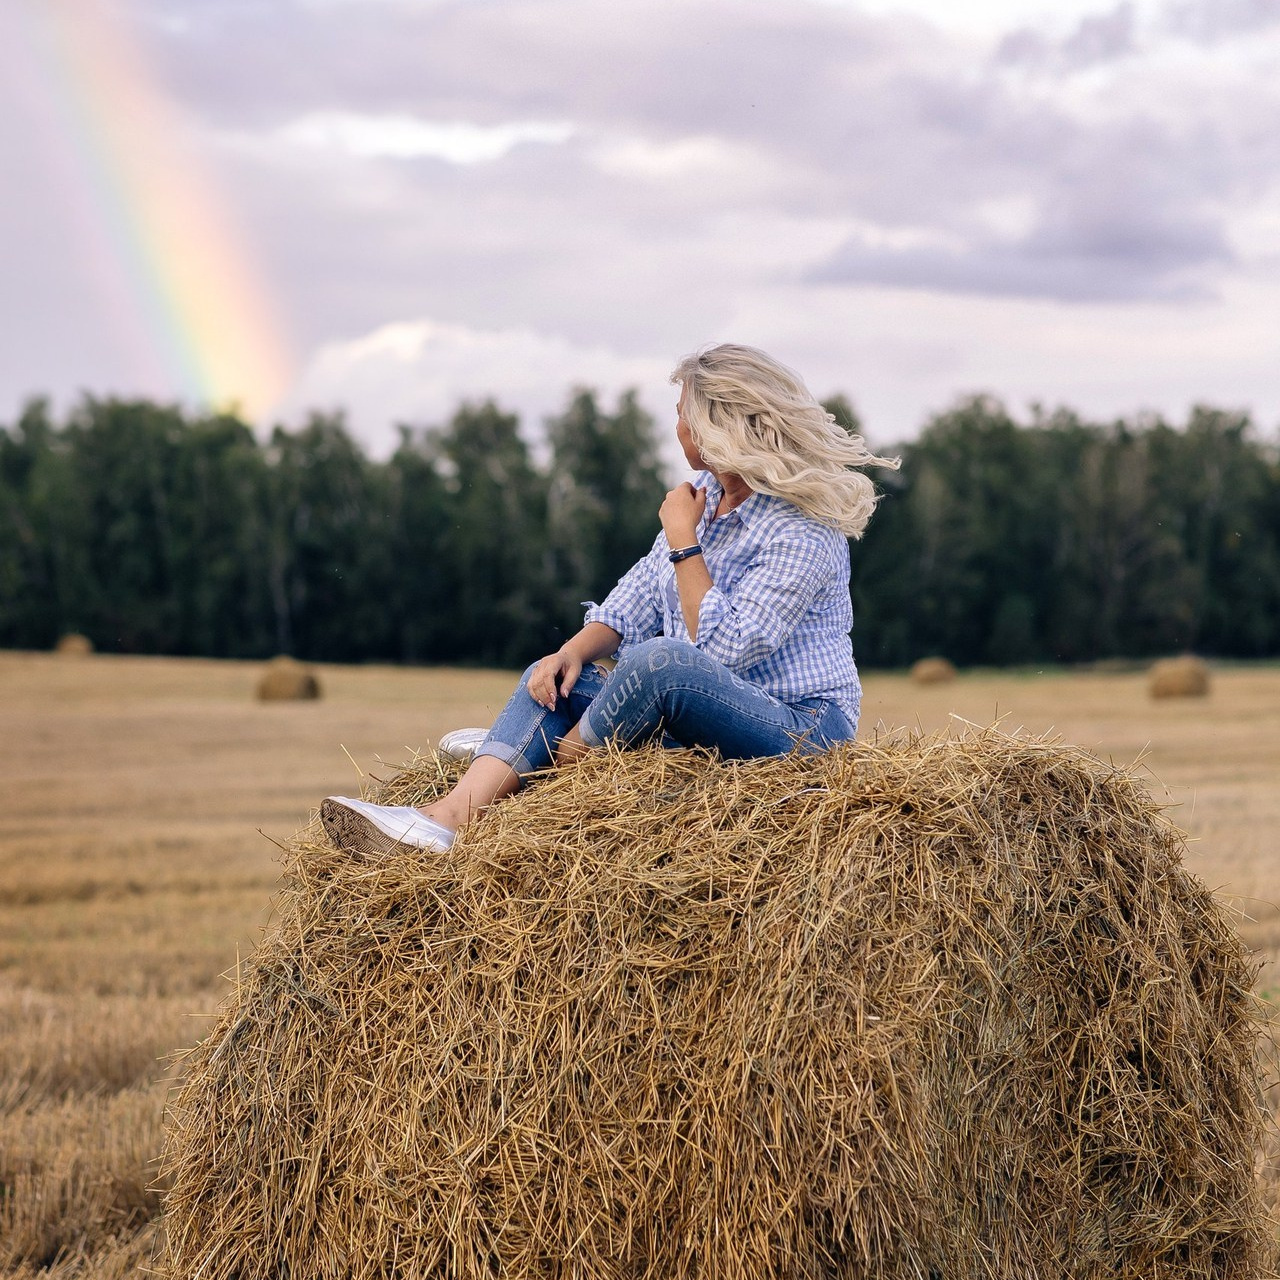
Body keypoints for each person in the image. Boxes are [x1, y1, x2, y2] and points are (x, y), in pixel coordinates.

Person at [319, 344, 899, 855]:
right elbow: (640, 594)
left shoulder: (801, 531)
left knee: (658, 662)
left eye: (682, 415)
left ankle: (542, 762)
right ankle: (441, 821)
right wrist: (571, 651)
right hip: (710, 716)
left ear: (716, 425)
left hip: (800, 729)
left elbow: (717, 650)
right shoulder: (704, 497)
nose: (675, 429)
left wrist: (682, 541)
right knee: (549, 678)